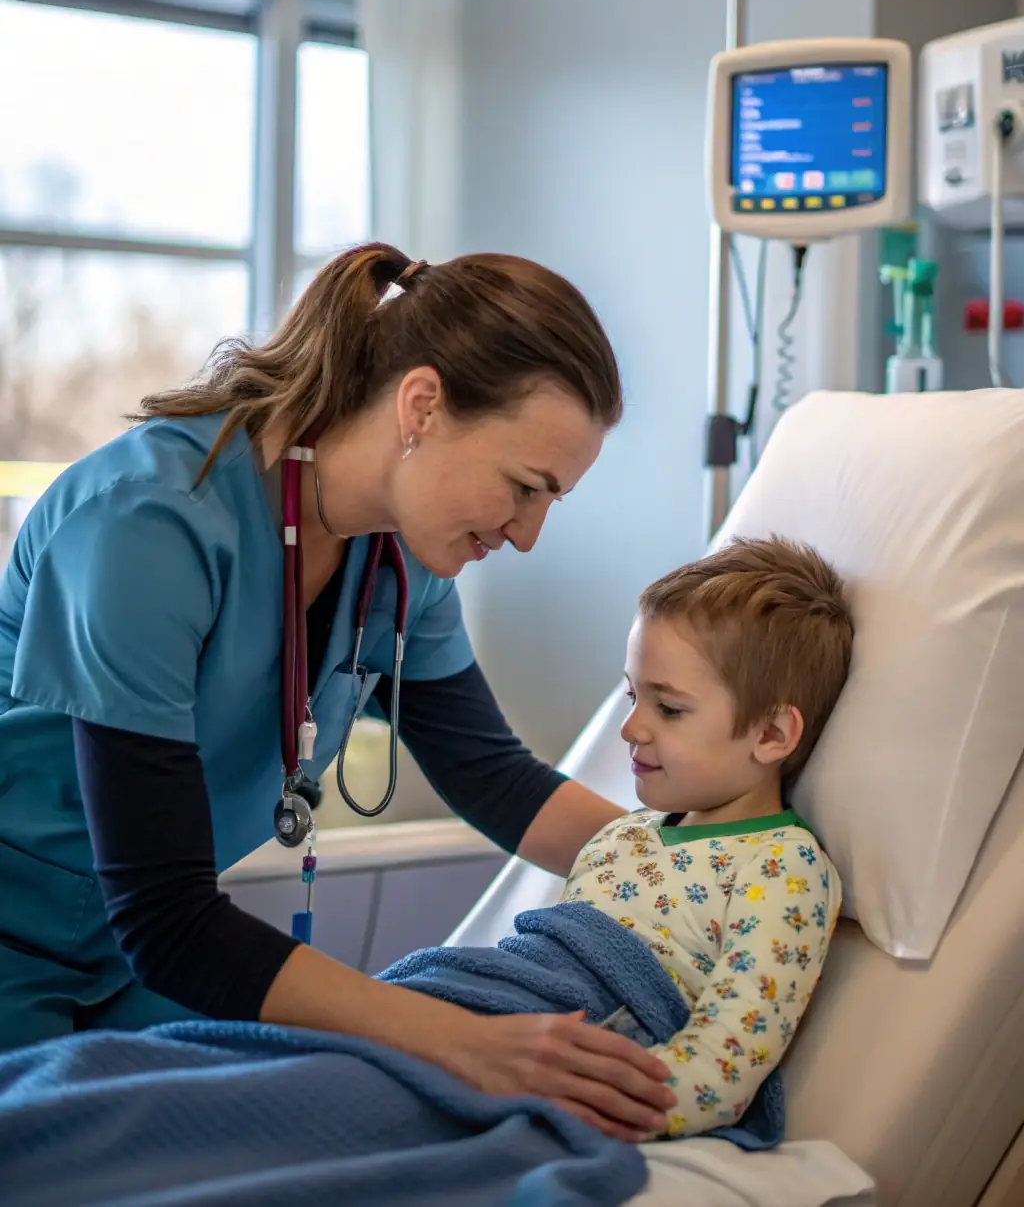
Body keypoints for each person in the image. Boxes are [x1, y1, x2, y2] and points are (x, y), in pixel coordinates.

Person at [0, 242, 676, 1142]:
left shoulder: (402, 560)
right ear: (423, 404)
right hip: (44, 935)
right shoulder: (148, 522)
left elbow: (491, 775)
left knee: (307, 1127)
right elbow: (170, 919)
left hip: (127, 957)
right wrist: (464, 1039)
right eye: (524, 486)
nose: (526, 535)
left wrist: (696, 863)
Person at [560, 536, 854, 1136]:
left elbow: (722, 1060)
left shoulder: (783, 868)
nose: (630, 726)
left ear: (770, 733)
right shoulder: (620, 838)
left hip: (572, 1057)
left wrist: (591, 1110)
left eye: (668, 709)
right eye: (632, 694)